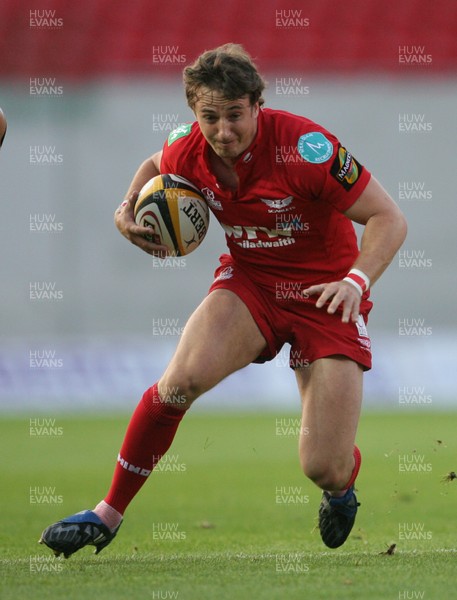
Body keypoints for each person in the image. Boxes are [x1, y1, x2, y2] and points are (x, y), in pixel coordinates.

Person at [39, 43, 407, 557]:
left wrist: (356, 282)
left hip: (327, 296)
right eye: (209, 117)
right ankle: (108, 513)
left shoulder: (307, 148)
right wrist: (126, 210)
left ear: (257, 105)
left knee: (322, 464)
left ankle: (342, 487)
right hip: (251, 283)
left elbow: (390, 219)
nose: (223, 131)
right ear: (194, 112)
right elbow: (152, 162)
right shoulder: (189, 148)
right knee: (179, 382)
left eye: (235, 116)